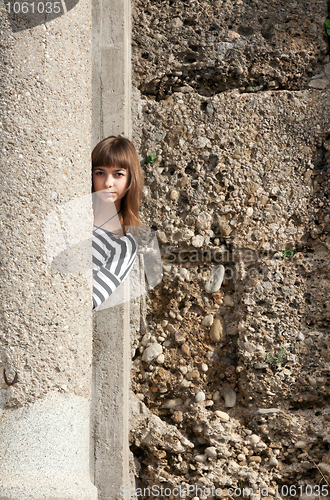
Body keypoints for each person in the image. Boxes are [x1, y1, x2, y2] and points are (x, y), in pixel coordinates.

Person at [91, 135, 144, 310]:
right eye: (100, 173)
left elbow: (89, 301)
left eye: (118, 174)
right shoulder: (74, 216)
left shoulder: (123, 246)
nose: (108, 183)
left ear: (130, 179)